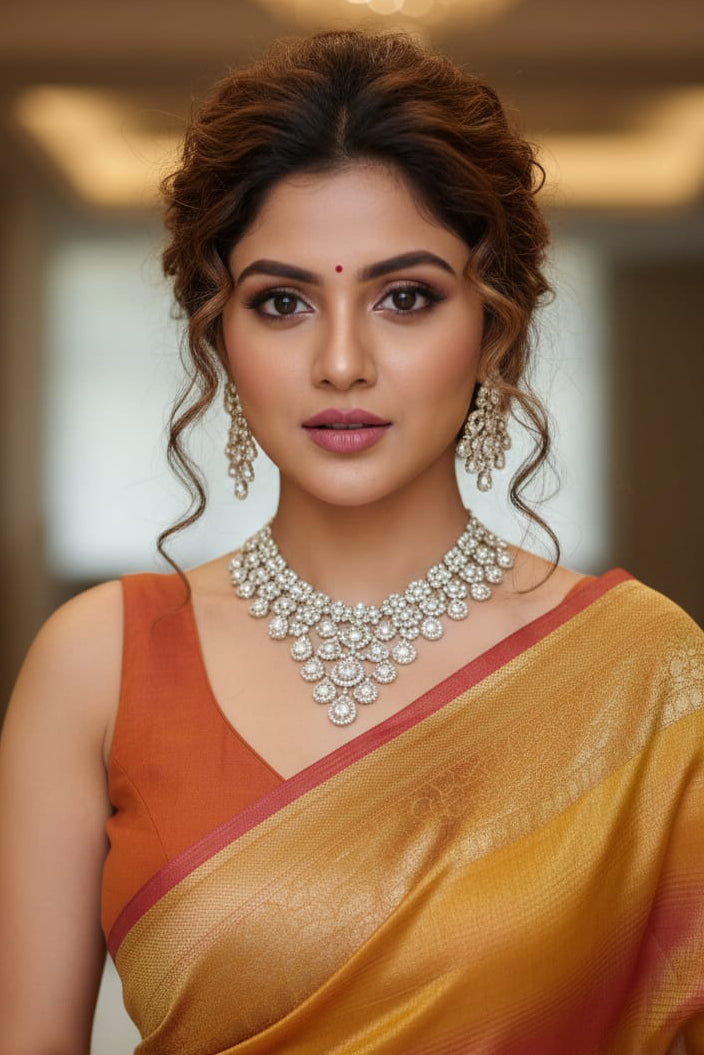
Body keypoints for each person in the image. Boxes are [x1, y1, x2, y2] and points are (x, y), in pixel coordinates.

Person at [1, 28, 702, 1055]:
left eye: (404, 297)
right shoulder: (97, 662)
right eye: (281, 302)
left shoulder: (645, 672)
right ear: (217, 331)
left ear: (492, 325)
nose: (340, 361)